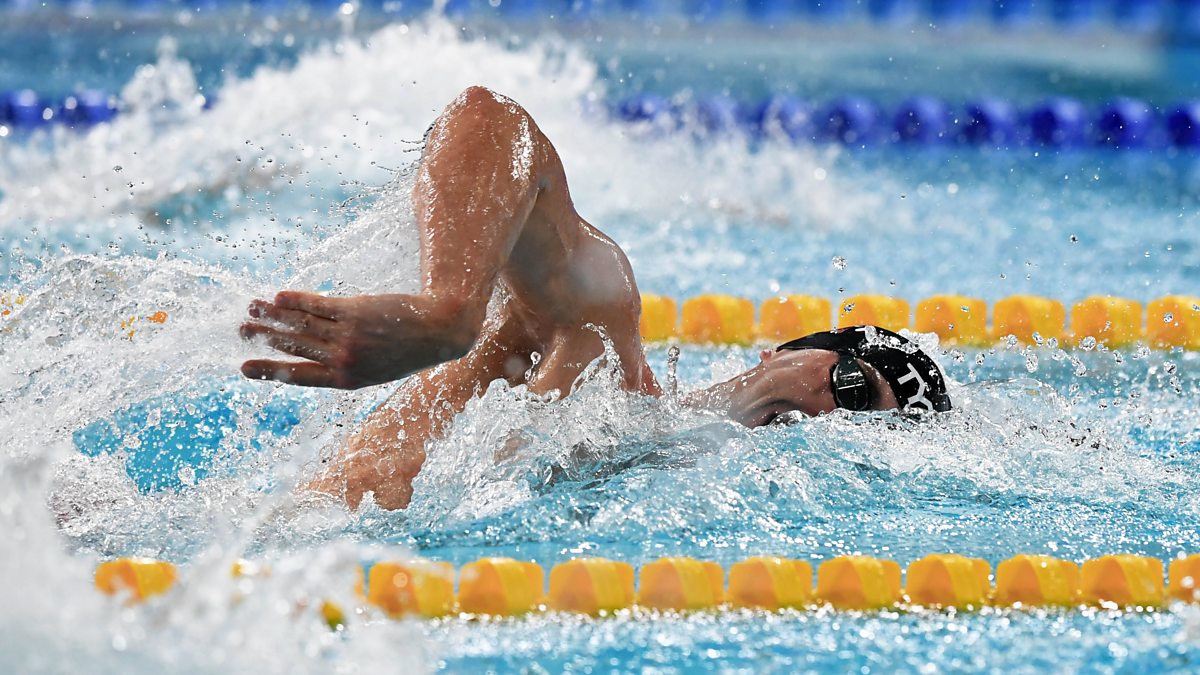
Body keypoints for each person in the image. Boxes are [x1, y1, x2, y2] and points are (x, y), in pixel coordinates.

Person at [240, 86, 951, 511]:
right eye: (855, 388)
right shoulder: (602, 341)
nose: (835, 421)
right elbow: (490, 119)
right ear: (789, 350)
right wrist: (450, 311)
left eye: (868, 435)